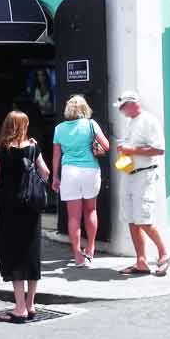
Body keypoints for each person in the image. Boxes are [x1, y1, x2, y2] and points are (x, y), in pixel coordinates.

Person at [0, 111, 50, 323]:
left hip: (9, 209)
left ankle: (20, 307)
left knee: (13, 254)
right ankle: (31, 304)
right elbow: (46, 173)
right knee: (31, 253)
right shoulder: (33, 147)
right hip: (31, 208)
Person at [114, 91, 170, 277]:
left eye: (123, 107)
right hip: (129, 173)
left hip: (144, 174)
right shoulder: (130, 121)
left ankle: (165, 252)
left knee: (144, 219)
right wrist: (124, 148)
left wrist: (132, 149)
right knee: (132, 219)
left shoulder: (149, 120)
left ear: (132, 104)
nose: (122, 111)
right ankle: (141, 261)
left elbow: (159, 149)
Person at [52, 95, 110, 267]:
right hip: (90, 170)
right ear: (84, 109)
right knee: (91, 210)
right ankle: (91, 248)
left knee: (73, 217)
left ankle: (77, 255)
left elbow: (56, 155)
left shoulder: (59, 128)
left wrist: (55, 176)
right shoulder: (91, 124)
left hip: (69, 172)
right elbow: (106, 146)